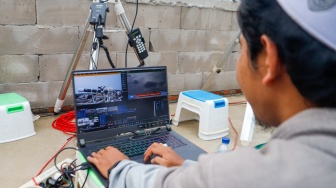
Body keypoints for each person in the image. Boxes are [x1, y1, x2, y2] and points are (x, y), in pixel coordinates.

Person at [87, 0, 336, 187]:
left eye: (240, 49)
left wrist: (119, 167)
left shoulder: (265, 173)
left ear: (269, 60)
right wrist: (188, 166)